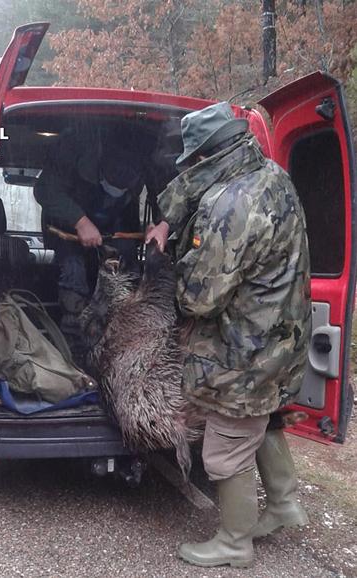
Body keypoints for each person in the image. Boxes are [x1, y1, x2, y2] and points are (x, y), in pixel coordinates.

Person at [146, 102, 312, 568]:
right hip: (283, 337)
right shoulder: (270, 175)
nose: (190, 165)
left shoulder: (230, 206)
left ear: (208, 156)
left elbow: (200, 299)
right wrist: (169, 219)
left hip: (245, 351)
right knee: (264, 418)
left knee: (226, 447)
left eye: (193, 157)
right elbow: (201, 189)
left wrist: (171, 266)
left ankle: (234, 541)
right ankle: (283, 504)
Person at [34, 128, 144, 366]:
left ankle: (125, 335)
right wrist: (80, 221)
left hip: (113, 231)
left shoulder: (140, 167)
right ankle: (73, 349)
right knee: (74, 269)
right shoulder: (74, 155)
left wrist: (162, 224)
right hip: (68, 232)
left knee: (128, 265)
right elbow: (43, 189)